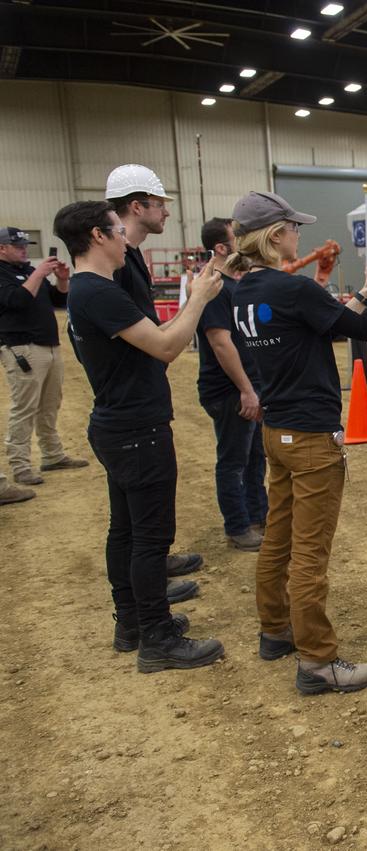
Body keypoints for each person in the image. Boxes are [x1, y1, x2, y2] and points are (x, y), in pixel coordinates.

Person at [227, 190, 367, 695]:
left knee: (278, 537)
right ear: (276, 235)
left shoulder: (246, 290)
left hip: (277, 431)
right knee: (310, 554)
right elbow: (364, 330)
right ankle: (318, 662)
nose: (299, 235)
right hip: (309, 436)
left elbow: (329, 323)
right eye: (293, 227)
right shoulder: (292, 289)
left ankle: (275, 630)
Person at [56, 200, 226, 671]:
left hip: (120, 425)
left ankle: (132, 622)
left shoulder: (89, 290)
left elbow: (154, 338)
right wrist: (199, 298)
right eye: (116, 229)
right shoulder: (99, 293)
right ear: (97, 236)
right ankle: (156, 635)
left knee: (127, 532)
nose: (123, 237)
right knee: (150, 538)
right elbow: (168, 347)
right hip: (137, 430)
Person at [105, 163, 205, 584]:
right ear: (136, 205)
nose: (166, 212)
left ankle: (149, 569)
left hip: (136, 398)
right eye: (160, 204)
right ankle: (148, 579)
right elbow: (156, 344)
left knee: (133, 518)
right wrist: (198, 300)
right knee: (140, 519)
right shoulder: (119, 265)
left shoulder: (131, 259)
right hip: (133, 408)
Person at [0, 227, 88, 503]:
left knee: (50, 404)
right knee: (24, 407)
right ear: (2, 248)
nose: (24, 249)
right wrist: (40, 273)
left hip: (48, 345)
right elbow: (16, 300)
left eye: (26, 244)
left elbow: (58, 301)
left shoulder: (26, 270)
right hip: (22, 348)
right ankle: (21, 465)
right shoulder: (6, 275)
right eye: (18, 245)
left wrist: (62, 281)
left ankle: (52, 454)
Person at [195, 217, 266, 551]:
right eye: (237, 238)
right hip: (229, 391)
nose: (245, 242)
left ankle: (257, 515)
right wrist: (246, 389)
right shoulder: (214, 289)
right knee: (234, 460)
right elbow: (220, 343)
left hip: (245, 385)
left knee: (255, 456)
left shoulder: (231, 284)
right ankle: (238, 527)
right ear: (222, 248)